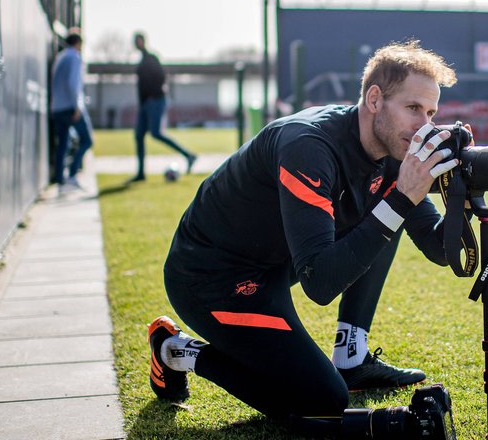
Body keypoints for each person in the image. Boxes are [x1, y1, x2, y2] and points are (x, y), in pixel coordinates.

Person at [147, 40, 464, 437]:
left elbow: (440, 248)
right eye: (413, 108)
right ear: (374, 99)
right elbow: (320, 283)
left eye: (431, 113)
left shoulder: (393, 148)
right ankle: (175, 350)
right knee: (321, 399)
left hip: (274, 264)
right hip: (211, 278)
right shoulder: (308, 145)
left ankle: (351, 356)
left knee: (388, 209)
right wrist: (401, 199)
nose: (424, 126)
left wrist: (462, 195)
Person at [129, 32, 195, 182]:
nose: (137, 44)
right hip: (144, 104)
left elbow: (161, 77)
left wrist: (153, 95)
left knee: (156, 133)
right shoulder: (141, 61)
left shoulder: (152, 58)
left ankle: (189, 155)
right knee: (139, 135)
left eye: (139, 41)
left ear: (143, 41)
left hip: (155, 101)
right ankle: (141, 173)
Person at [50, 28, 93, 192]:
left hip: (57, 107)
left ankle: (60, 178)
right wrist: (77, 107)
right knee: (87, 140)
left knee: (62, 143)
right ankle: (73, 174)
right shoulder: (74, 57)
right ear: (78, 43)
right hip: (70, 107)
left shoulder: (60, 57)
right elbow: (73, 83)